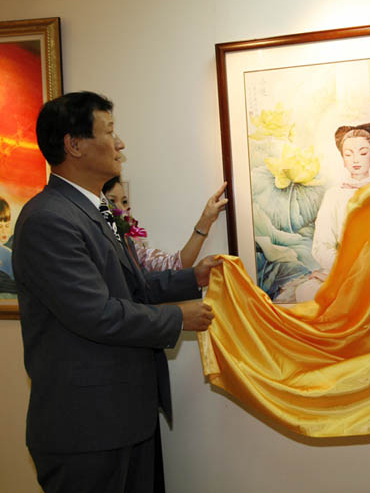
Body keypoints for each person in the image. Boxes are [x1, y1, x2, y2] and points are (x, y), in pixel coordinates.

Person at [13, 91, 219, 493]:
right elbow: (96, 313)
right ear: (74, 145)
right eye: (109, 131)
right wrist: (179, 317)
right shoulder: (48, 219)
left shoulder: (96, 210)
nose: (120, 144)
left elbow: (129, 287)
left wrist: (191, 278)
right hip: (87, 428)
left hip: (124, 417)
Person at [291, 123, 370, 302]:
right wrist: (344, 272)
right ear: (343, 159)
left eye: (363, 153)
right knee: (306, 293)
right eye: (348, 154)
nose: (355, 160)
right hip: (340, 268)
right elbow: (321, 246)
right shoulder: (334, 195)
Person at [103, 176, 228, 272]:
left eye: (124, 202)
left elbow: (175, 264)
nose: (121, 208)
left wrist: (206, 219)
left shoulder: (131, 245)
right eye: (111, 201)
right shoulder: (103, 244)